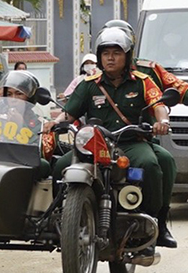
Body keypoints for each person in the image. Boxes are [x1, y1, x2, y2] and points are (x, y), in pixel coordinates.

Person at [102, 20, 188, 248]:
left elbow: (183, 91)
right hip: (100, 140)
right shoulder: (95, 76)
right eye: (107, 50)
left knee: (163, 162)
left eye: (119, 48)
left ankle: (159, 222)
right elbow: (73, 104)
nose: (112, 56)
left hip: (139, 138)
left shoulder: (149, 71)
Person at [46, 28, 171, 256]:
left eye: (116, 53)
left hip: (131, 143)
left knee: (151, 165)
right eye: (106, 53)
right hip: (95, 145)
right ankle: (62, 220)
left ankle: (153, 224)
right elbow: (69, 113)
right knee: (60, 167)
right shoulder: (89, 84)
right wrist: (53, 123)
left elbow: (158, 105)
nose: (110, 58)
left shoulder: (143, 82)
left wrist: (162, 121)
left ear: (127, 56)